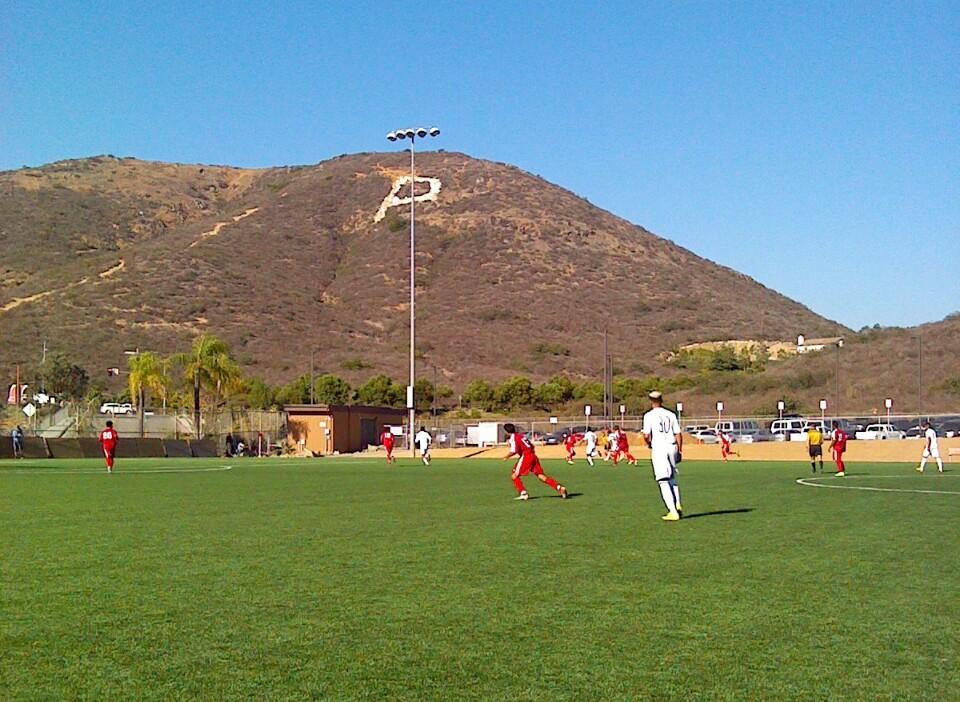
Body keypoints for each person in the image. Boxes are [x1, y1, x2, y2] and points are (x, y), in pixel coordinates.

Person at [641, 391, 683, 521]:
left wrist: (648, 443)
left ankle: (672, 511)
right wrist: (680, 450)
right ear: (662, 400)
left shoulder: (649, 415)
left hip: (659, 447)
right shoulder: (671, 414)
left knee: (662, 480)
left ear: (650, 401)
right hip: (672, 446)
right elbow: (678, 434)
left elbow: (646, 435)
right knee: (672, 477)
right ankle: (677, 503)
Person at [503, 423, 567, 500]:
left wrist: (506, 457)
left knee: (514, 475)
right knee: (541, 476)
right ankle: (559, 487)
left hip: (526, 456)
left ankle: (523, 493)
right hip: (533, 455)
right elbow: (532, 446)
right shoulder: (521, 436)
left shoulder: (513, 438)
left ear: (506, 431)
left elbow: (514, 451)